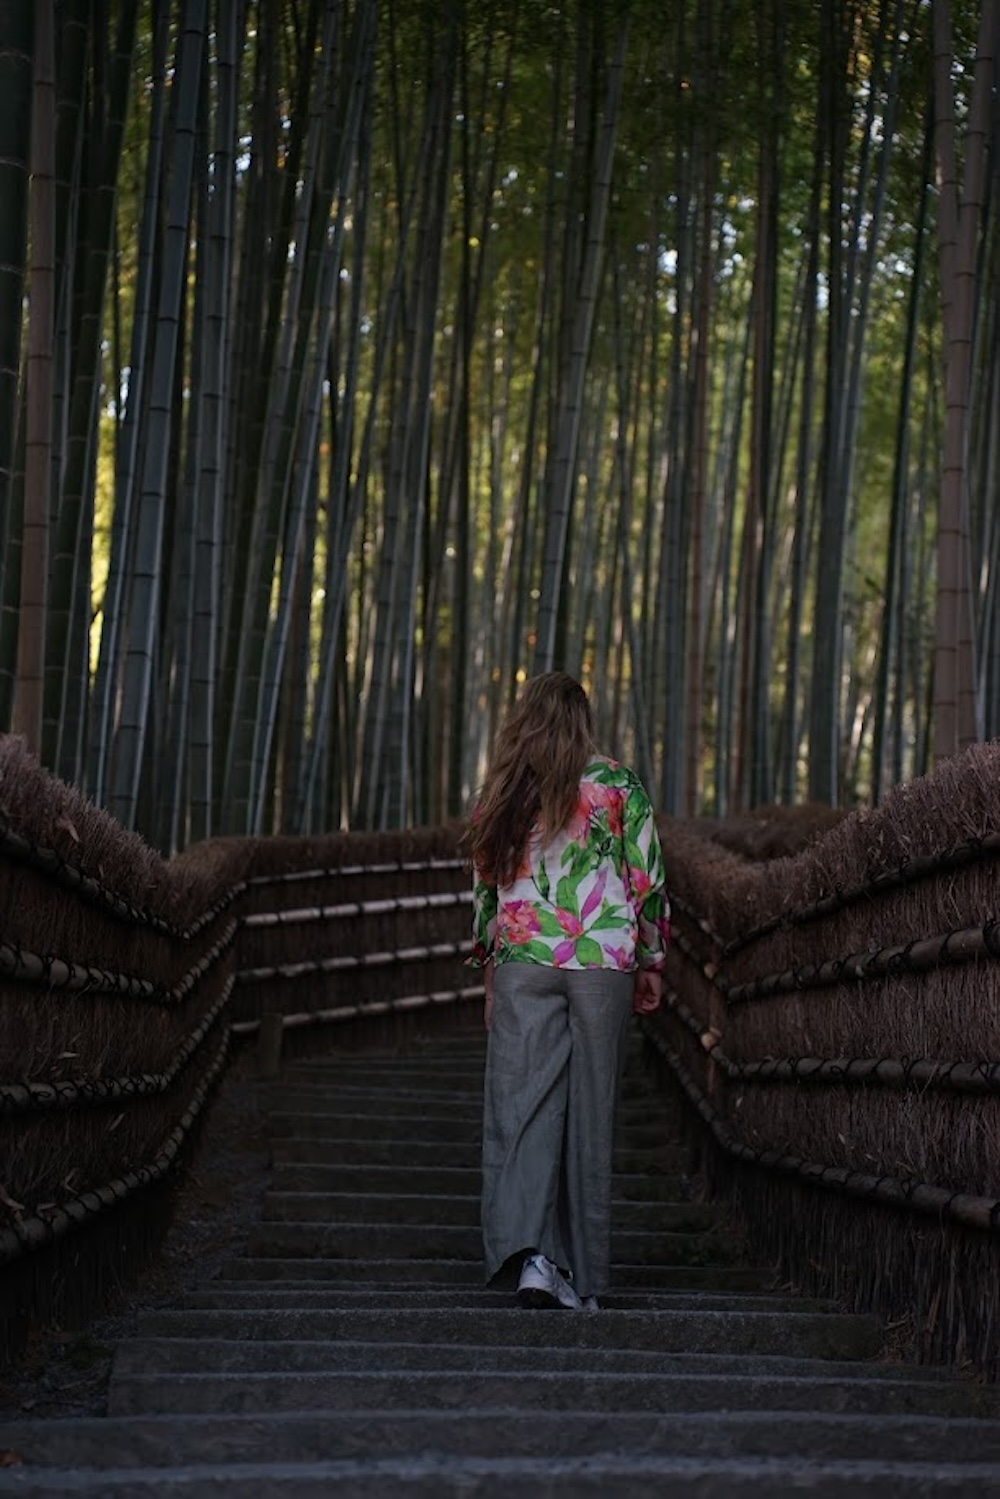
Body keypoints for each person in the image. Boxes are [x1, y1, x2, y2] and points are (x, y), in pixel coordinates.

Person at [465, 670, 671, 1311]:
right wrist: (653, 960)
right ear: (584, 721)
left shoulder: (503, 790)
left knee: (521, 1112)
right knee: (590, 1114)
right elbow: (647, 878)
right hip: (604, 961)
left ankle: (532, 1260)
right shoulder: (617, 784)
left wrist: (490, 971)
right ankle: (581, 1278)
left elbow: (485, 892)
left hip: (525, 956)